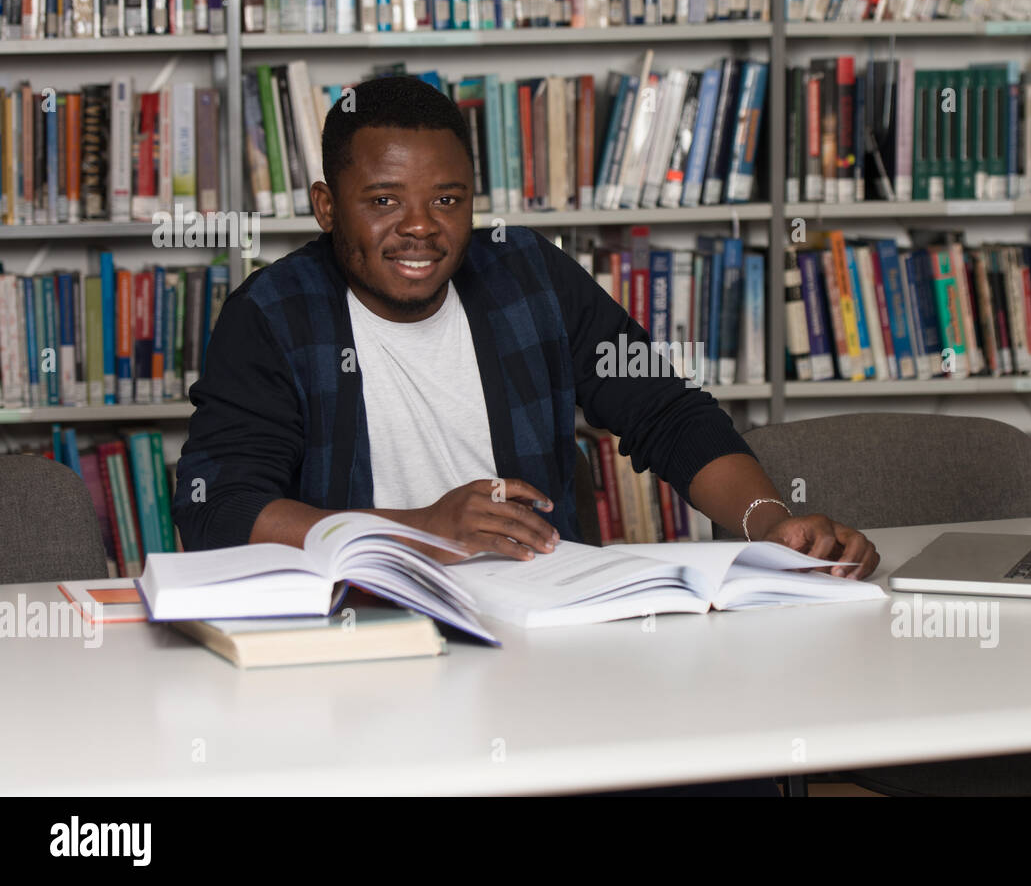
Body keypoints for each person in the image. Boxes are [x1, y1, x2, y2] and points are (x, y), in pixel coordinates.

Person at [172, 75, 880, 582]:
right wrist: (424, 528)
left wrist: (771, 523)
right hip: (357, 626)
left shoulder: (526, 274)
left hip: (538, 611)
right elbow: (222, 511)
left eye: (446, 198)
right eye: (384, 200)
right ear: (327, 208)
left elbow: (667, 411)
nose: (420, 226)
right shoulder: (271, 315)